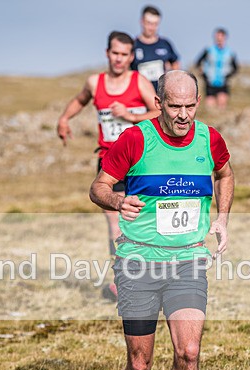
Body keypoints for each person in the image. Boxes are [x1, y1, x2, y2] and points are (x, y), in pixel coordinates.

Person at [90, 70, 234, 370]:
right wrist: (118, 199)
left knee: (188, 352)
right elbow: (98, 186)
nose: (185, 114)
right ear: (159, 103)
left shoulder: (210, 139)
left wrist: (222, 218)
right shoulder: (135, 140)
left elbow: (224, 173)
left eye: (191, 105)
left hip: (187, 261)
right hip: (137, 263)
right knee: (140, 363)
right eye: (175, 106)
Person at [57, 31, 159, 301]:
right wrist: (64, 119)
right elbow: (80, 99)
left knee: (142, 221)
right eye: (115, 53)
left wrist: (130, 115)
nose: (119, 59)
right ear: (107, 53)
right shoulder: (95, 82)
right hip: (108, 161)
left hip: (138, 161)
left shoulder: (139, 83)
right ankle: (122, 281)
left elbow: (160, 112)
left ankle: (151, 277)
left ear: (131, 56)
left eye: (125, 54)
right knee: (114, 224)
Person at [131, 5, 180, 90]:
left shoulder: (165, 44)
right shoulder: (133, 45)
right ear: (141, 21)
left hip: (160, 95)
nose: (151, 28)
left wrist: (174, 81)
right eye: (149, 23)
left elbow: (175, 63)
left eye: (155, 24)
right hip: (139, 94)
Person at [195, 27, 238, 111]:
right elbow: (198, 63)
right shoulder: (208, 50)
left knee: (222, 104)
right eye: (217, 37)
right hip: (210, 82)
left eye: (221, 37)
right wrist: (203, 75)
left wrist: (228, 76)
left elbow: (235, 68)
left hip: (223, 82)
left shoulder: (230, 52)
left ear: (225, 38)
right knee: (210, 106)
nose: (219, 39)